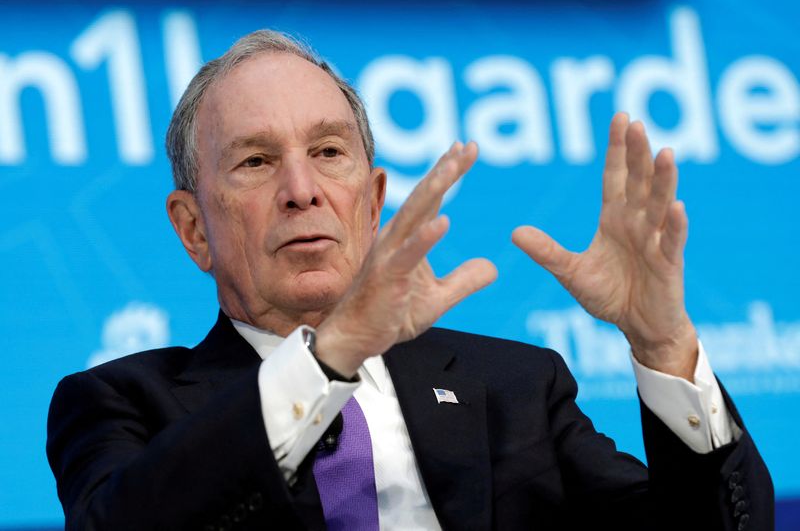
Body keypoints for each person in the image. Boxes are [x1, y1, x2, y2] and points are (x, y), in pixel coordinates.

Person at [46, 30, 772, 530]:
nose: (302, 190)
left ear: (372, 199)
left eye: (329, 151)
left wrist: (664, 343)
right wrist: (326, 358)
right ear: (193, 228)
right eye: (256, 162)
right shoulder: (120, 403)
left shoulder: (513, 387)